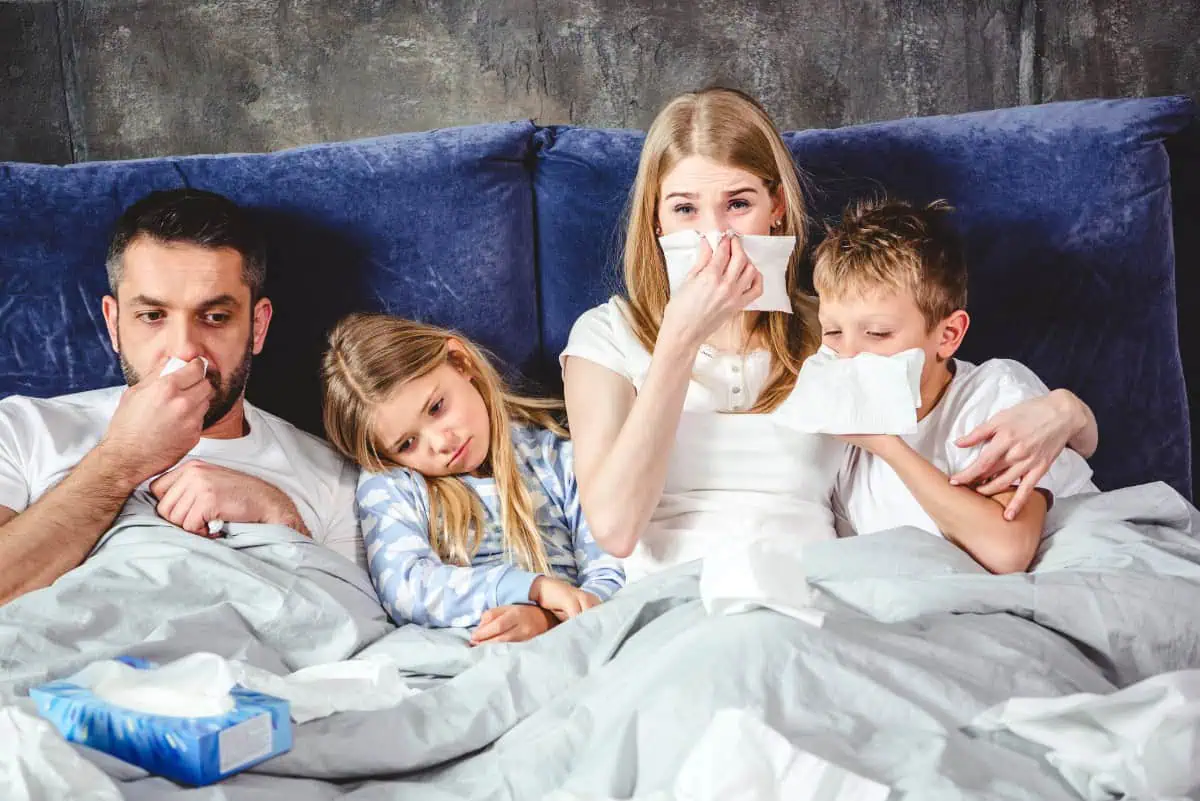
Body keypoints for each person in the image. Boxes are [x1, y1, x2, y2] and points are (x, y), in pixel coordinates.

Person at [560, 87, 1099, 580]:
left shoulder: (835, 332)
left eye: (738, 204)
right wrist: (678, 339)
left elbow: (950, 390)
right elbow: (615, 529)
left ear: (775, 209)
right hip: (672, 597)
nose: (715, 236)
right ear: (656, 222)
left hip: (815, 595)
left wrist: (1068, 412)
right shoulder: (607, 335)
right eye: (685, 210)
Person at [0, 189, 362, 605]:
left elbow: (362, 639)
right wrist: (119, 464)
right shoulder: (22, 431)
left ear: (257, 328)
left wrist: (279, 516)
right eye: (152, 316)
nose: (185, 350)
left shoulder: (333, 478)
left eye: (215, 317)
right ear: (114, 323)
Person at [813, 198, 1097, 573]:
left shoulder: (994, 395)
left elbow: (1007, 550)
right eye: (833, 332)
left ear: (948, 336)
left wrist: (886, 444)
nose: (848, 356)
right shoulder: (843, 435)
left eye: (878, 334)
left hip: (1074, 574)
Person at [322, 314, 624, 645]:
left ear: (460, 361)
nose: (441, 443)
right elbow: (406, 587)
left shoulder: (556, 455)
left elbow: (612, 571)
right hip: (465, 657)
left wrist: (548, 619)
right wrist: (532, 589)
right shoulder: (394, 484)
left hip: (575, 642)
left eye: (436, 407)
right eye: (407, 444)